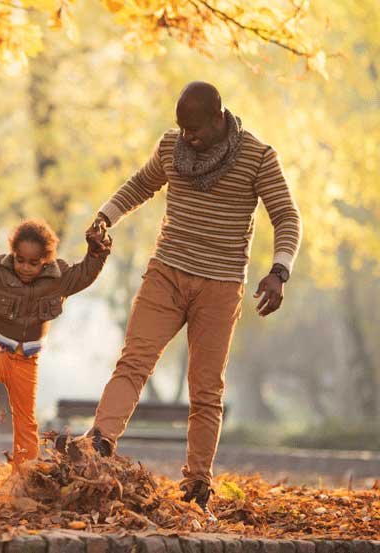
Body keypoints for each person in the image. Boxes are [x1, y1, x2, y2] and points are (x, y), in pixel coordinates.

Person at [64, 81, 302, 515]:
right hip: (167, 273)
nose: (187, 137)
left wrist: (279, 271)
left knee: (206, 389)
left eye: (194, 129)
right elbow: (141, 184)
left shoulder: (258, 156)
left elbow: (286, 215)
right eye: (181, 128)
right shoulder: (173, 147)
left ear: (219, 118)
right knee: (133, 361)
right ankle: (99, 444)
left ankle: (196, 483)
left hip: (220, 284)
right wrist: (105, 216)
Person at [0, 217, 112, 466]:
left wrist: (97, 251)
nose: (25, 267)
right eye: (20, 259)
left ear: (46, 260)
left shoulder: (59, 278)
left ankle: (24, 473)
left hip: (27, 361)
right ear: (13, 254)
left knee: (26, 421)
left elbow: (84, 274)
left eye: (33, 263)